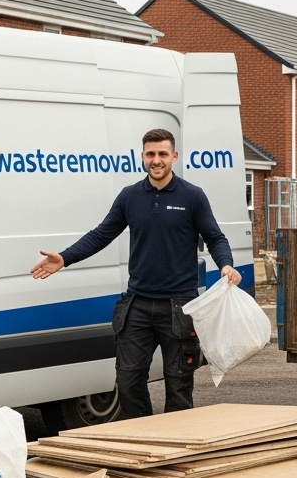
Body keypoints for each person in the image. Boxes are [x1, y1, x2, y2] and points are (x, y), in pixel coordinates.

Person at [31, 128, 239, 419]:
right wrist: (65, 258)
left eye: (163, 154)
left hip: (179, 306)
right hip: (137, 305)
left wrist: (225, 264)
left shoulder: (192, 196)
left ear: (174, 157)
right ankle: (143, 442)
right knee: (128, 382)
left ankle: (175, 452)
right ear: (142, 156)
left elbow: (216, 237)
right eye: (151, 154)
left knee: (178, 387)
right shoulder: (130, 197)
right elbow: (101, 234)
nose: (157, 160)